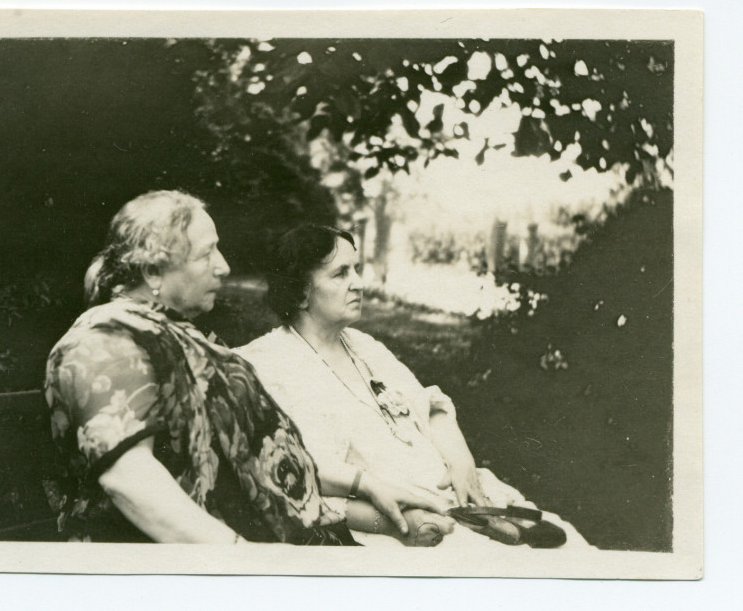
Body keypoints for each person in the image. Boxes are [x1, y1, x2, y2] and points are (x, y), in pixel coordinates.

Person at [44, 191, 443, 545]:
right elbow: (129, 480)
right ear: (152, 272)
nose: (223, 266)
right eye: (205, 254)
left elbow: (264, 460)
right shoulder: (105, 341)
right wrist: (239, 561)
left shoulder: (181, 338)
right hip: (190, 570)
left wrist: (368, 485)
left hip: (294, 546)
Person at [235, 224, 591, 549]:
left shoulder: (364, 346)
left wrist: (461, 462)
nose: (358, 282)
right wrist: (398, 521)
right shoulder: (268, 363)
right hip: (395, 510)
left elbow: (430, 406)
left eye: (356, 269)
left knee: (567, 546)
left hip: (453, 489)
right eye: (341, 273)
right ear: (299, 293)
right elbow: (301, 474)